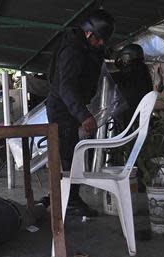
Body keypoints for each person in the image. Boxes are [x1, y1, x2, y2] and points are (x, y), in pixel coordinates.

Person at [46, 9, 115, 216]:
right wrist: (83, 115)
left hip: (71, 107)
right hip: (62, 109)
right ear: (88, 33)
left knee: (74, 154)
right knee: (67, 156)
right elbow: (66, 87)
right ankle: (69, 201)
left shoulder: (86, 48)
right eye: (99, 39)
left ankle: (68, 197)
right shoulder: (72, 51)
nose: (101, 43)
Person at [113, 44, 153, 129]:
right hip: (137, 114)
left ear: (127, 57)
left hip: (131, 115)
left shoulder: (134, 71)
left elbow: (118, 76)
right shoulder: (142, 70)